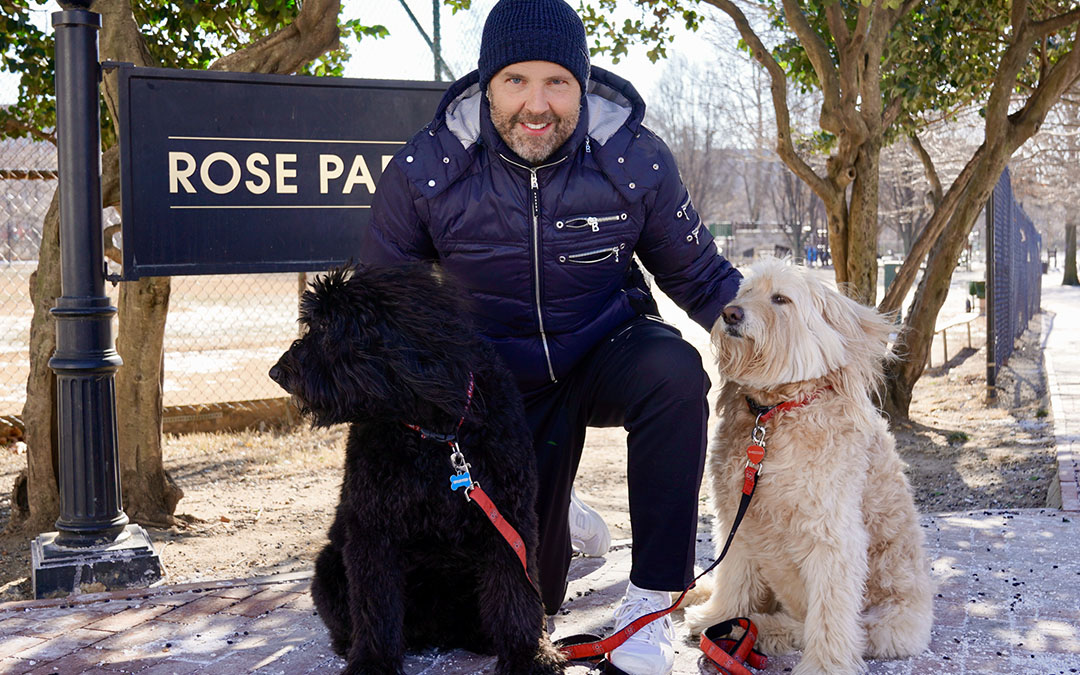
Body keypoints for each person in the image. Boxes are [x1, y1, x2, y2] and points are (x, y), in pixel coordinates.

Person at [362, 0, 741, 672]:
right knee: (528, 604)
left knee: (676, 372)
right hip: (495, 384)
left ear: (581, 84)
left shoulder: (633, 159)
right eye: (516, 81)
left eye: (557, 82)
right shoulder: (427, 169)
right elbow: (380, 306)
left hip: (605, 348)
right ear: (487, 86)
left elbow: (706, 280)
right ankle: (559, 508)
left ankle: (653, 606)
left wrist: (797, 353)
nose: (536, 106)